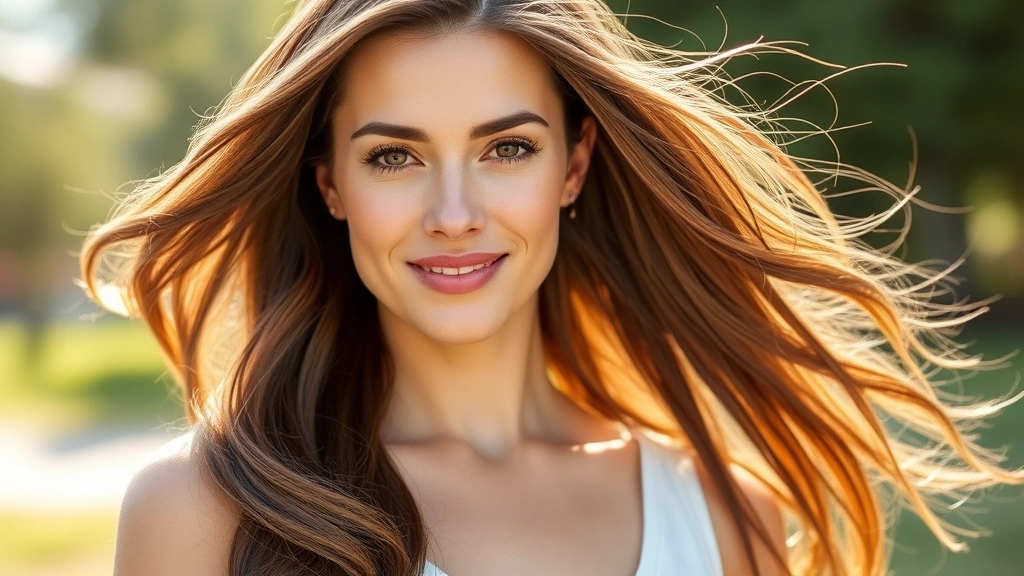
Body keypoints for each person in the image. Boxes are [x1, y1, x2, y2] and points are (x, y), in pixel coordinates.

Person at [80, 0, 1023, 575]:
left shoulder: (730, 517)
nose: (455, 212)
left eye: (507, 149)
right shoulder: (205, 511)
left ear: (573, 167)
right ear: (330, 183)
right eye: (396, 156)